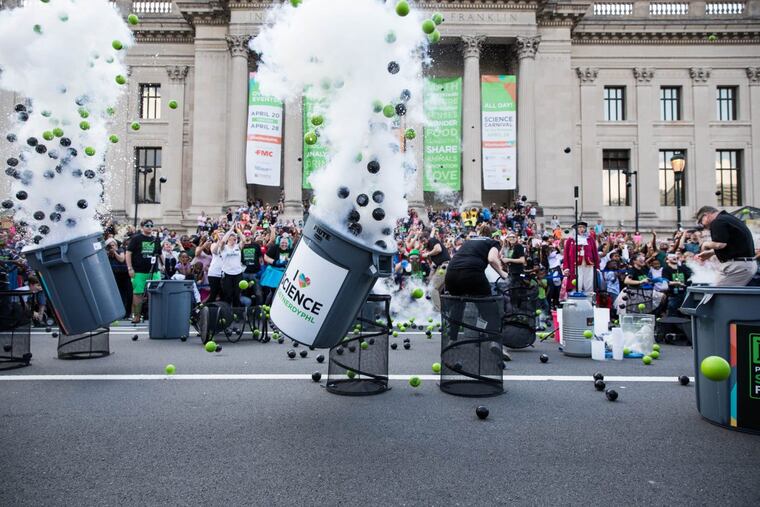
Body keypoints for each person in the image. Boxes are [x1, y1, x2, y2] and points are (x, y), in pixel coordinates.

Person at [445, 223, 510, 358]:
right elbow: (492, 259)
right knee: (489, 310)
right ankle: (495, 343)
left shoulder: (470, 241)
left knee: (457, 306)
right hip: (471, 274)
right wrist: (502, 273)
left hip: (451, 274)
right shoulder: (493, 242)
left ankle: (452, 340)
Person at [696, 206, 757, 286]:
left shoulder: (718, 221)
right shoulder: (727, 218)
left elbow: (720, 244)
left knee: (717, 295)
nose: (702, 225)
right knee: (717, 293)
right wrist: (711, 253)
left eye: (701, 221)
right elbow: (733, 245)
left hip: (737, 266)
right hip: (742, 265)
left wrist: (705, 244)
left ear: (706, 215)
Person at [125, 219, 161, 323]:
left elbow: (159, 253)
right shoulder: (136, 238)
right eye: (147, 225)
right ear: (142, 227)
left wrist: (163, 266)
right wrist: (130, 268)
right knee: (138, 294)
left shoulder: (155, 239)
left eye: (151, 225)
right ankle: (136, 316)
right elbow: (128, 253)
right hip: (139, 271)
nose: (149, 227)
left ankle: (155, 315)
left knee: (156, 293)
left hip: (154, 271)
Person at [562, 221, 600, 294]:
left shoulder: (590, 239)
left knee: (589, 283)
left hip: (589, 264)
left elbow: (595, 253)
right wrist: (566, 267)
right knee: (576, 283)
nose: (582, 229)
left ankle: (589, 299)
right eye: (579, 227)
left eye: (583, 227)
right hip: (575, 265)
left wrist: (597, 266)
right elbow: (566, 254)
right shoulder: (571, 240)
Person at [421, 228, 450, 310]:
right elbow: (433, 266)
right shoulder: (430, 246)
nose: (423, 243)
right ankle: (442, 311)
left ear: (427, 238)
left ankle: (438, 312)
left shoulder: (432, 240)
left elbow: (438, 249)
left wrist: (427, 254)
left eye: (423, 241)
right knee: (437, 291)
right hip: (443, 267)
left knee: (433, 288)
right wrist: (429, 278)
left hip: (444, 266)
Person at [215, 225, 244, 306]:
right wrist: (231, 230)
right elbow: (223, 241)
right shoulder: (224, 247)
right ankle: (227, 313)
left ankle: (236, 313)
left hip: (238, 274)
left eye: (235, 239)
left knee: (237, 295)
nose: (233, 240)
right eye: (231, 238)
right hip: (227, 274)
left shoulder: (238, 246)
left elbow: (244, 240)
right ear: (228, 239)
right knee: (228, 295)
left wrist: (238, 230)